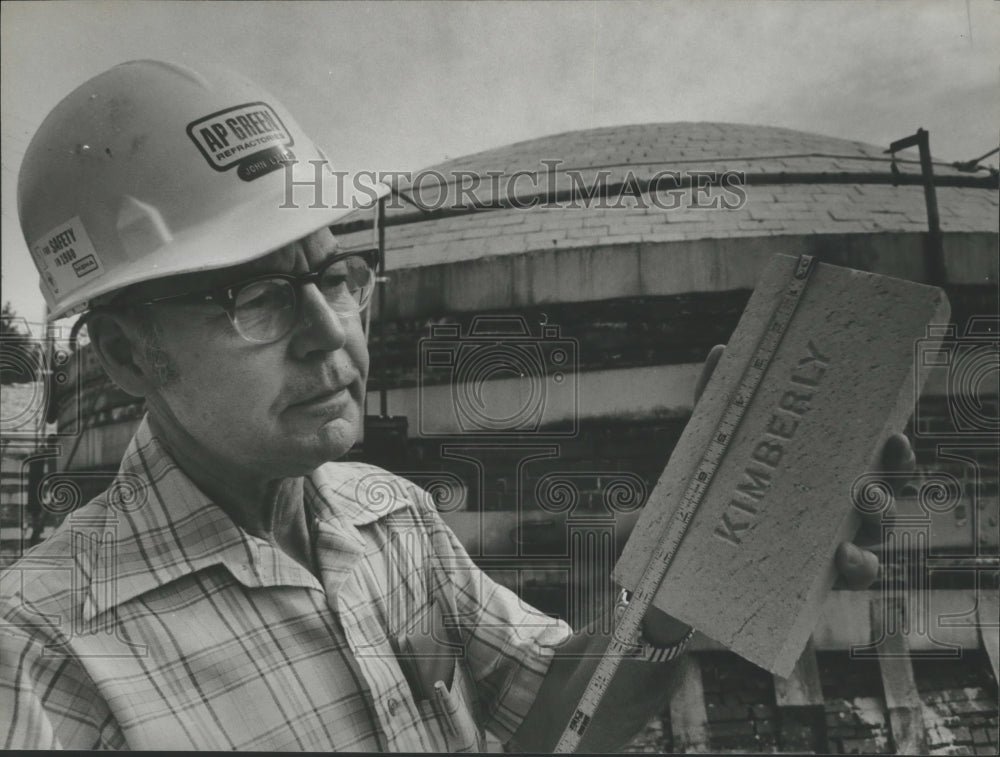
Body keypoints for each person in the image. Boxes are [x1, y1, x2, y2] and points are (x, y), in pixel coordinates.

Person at [0, 60, 906, 752]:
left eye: (333, 277)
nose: (331, 333)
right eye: (256, 299)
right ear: (125, 354)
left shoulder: (392, 521)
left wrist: (701, 548)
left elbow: (554, 716)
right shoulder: (45, 658)